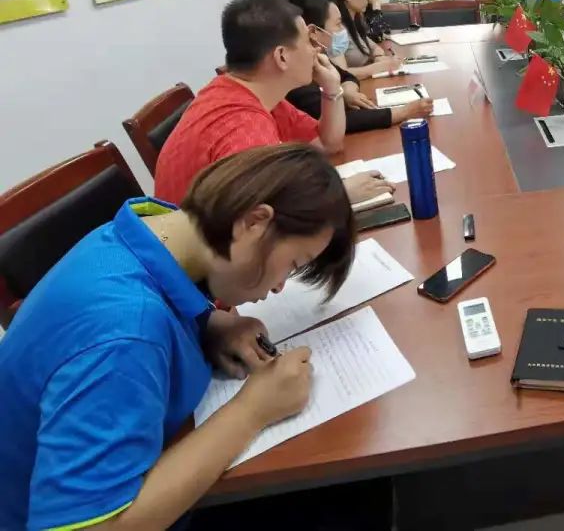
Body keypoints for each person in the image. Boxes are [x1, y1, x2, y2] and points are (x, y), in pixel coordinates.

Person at [0, 144, 395, 531]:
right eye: (292, 264)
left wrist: (209, 323)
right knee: (358, 494)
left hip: (151, 446)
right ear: (254, 222)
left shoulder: (150, 229)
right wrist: (252, 411)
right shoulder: (126, 334)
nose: (278, 287)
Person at [154, 0, 393, 206]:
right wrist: (341, 193)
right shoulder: (242, 125)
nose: (317, 50)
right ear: (282, 56)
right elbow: (266, 215)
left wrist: (331, 88)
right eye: (308, 42)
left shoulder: (251, 92)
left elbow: (327, 144)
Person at [287, 0, 433, 130]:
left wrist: (348, 91)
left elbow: (347, 76)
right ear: (313, 32)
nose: (342, 30)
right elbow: (336, 121)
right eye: (338, 24)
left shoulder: (316, 57)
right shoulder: (295, 74)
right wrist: (403, 112)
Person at [323, 0, 402, 78]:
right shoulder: (335, 29)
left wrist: (378, 57)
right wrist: (381, 66)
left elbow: (374, 46)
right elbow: (340, 74)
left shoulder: (354, 20)